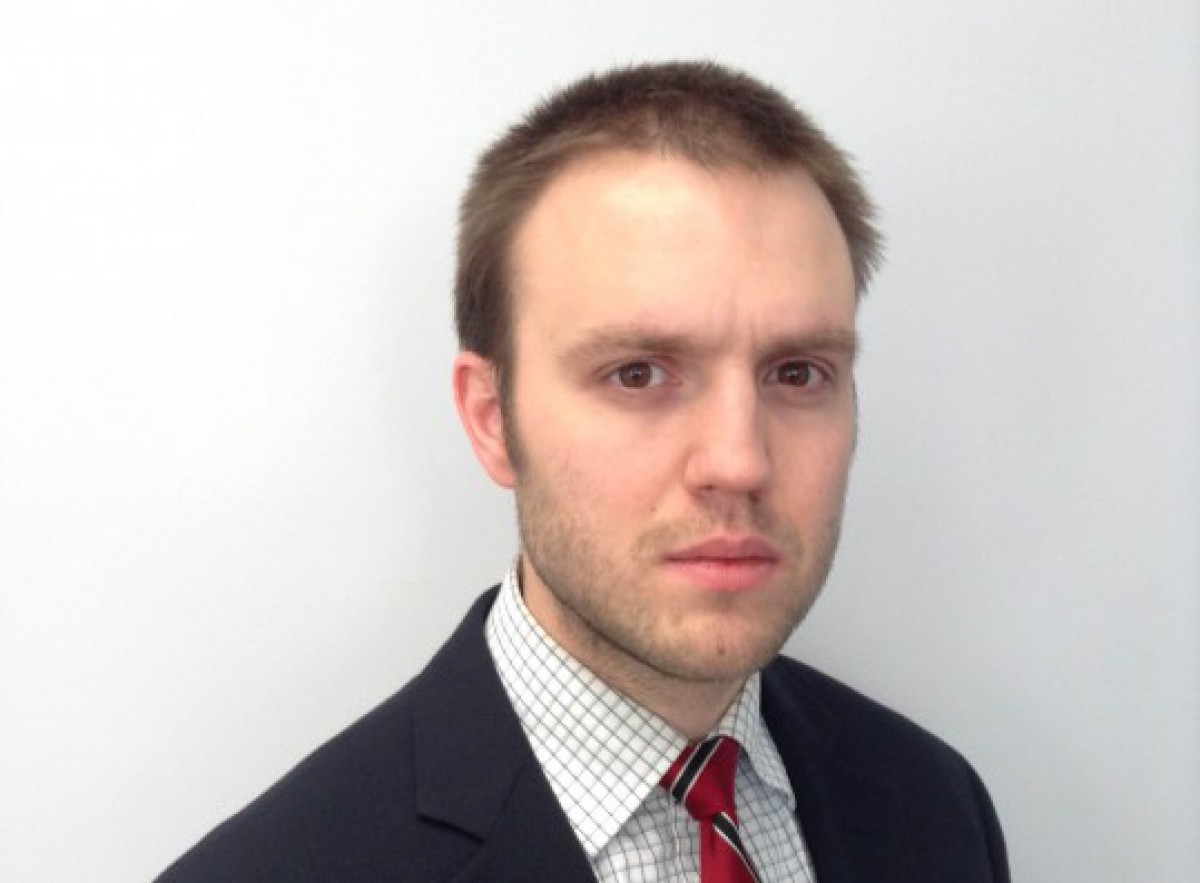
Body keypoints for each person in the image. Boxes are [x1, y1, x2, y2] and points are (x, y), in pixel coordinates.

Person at [157, 61, 1009, 882]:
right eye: (637, 373)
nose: (739, 461)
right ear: (492, 419)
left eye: (797, 372)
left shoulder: (935, 806)